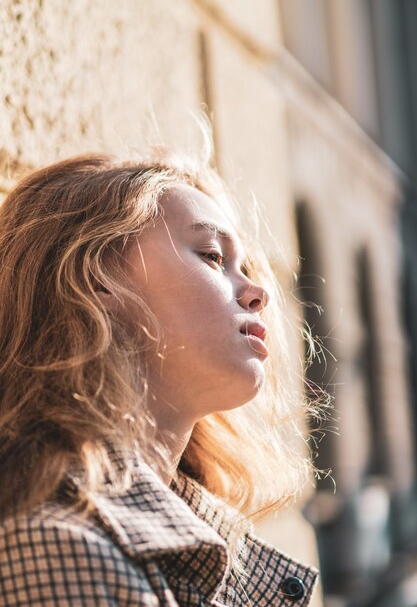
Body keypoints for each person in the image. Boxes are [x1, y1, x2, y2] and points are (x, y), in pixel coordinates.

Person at [0, 152, 319, 606]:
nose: (259, 292)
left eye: (245, 268)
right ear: (96, 278)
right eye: (213, 257)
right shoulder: (57, 545)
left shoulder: (201, 537)